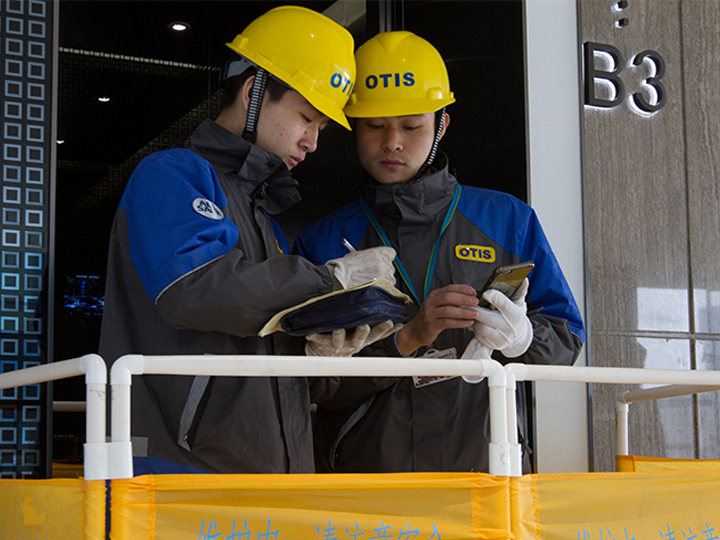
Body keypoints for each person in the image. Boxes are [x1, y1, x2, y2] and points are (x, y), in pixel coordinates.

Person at [98, 6, 398, 475]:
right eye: (306, 118)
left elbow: (255, 343)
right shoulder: (172, 175)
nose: (312, 142)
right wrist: (329, 280)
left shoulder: (266, 219)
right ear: (253, 91)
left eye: (320, 127)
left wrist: (320, 350)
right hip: (180, 469)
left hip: (271, 471)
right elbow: (194, 292)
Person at [293, 30, 586, 473]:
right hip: (367, 479)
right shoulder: (322, 241)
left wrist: (524, 337)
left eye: (412, 126)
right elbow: (308, 385)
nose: (392, 142)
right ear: (353, 125)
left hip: (483, 468)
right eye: (374, 125)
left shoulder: (507, 219)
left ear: (441, 125)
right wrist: (406, 341)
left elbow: (568, 340)